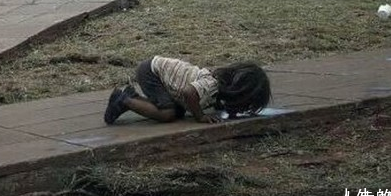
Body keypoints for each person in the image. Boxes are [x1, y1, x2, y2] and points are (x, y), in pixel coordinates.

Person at [104, 56, 272, 125]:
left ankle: (132, 97)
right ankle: (124, 100)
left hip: (158, 71)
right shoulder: (211, 85)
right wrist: (200, 116)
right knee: (168, 114)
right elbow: (188, 93)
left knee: (178, 112)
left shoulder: (217, 90)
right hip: (152, 72)